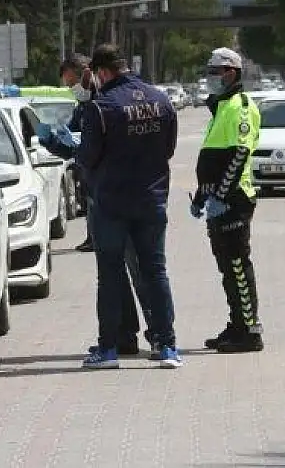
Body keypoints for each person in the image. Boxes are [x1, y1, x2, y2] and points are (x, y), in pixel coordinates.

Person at [36, 54, 157, 355]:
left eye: (73, 83)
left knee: (141, 270)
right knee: (115, 275)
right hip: (100, 196)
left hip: (124, 196)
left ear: (89, 74)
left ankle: (159, 335)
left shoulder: (110, 103)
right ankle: (124, 335)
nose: (72, 89)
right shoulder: (87, 105)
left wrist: (69, 147)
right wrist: (58, 142)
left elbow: (93, 151)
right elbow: (81, 146)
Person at [77, 44, 181, 369]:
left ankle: (108, 349)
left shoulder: (101, 108)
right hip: (151, 200)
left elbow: (88, 157)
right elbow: (168, 149)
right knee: (156, 272)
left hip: (112, 204)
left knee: (109, 275)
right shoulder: (161, 100)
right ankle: (167, 347)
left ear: (102, 72)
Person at [190, 48, 265, 353]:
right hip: (219, 201)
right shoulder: (221, 106)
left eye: (215, 73)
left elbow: (239, 155)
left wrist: (220, 196)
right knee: (226, 268)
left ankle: (250, 330)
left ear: (231, 73)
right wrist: (201, 196)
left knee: (237, 266)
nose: (210, 79)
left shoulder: (241, 106)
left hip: (235, 199)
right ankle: (236, 324)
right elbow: (212, 156)